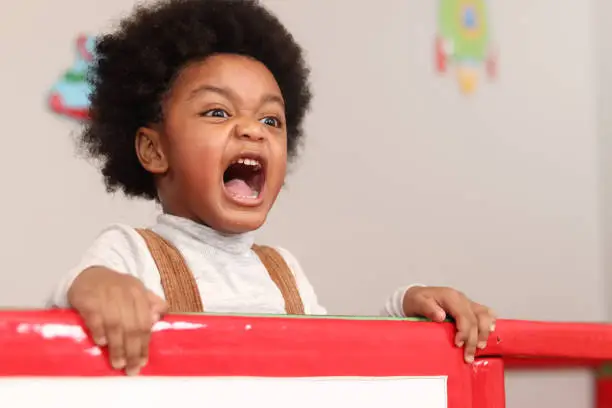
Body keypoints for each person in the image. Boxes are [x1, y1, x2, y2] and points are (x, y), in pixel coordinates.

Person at [49, 0, 496, 376]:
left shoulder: (283, 271)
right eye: (218, 113)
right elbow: (72, 294)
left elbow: (332, 358)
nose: (252, 131)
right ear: (153, 150)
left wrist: (409, 310)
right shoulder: (130, 252)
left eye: (270, 120)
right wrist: (98, 287)